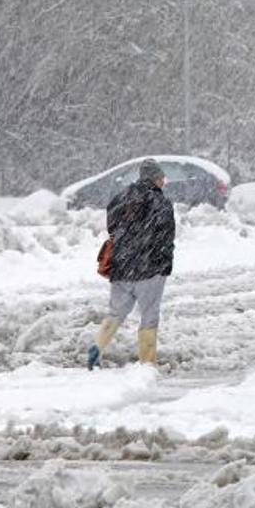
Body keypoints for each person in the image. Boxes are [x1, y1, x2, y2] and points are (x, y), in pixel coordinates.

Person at [87, 158, 175, 369]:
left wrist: (126, 249)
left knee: (116, 313)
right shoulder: (160, 202)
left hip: (122, 265)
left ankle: (97, 348)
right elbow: (166, 237)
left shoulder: (121, 198)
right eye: (162, 178)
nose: (164, 182)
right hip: (149, 269)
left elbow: (112, 228)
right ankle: (147, 363)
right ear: (155, 178)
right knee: (149, 317)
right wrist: (164, 263)